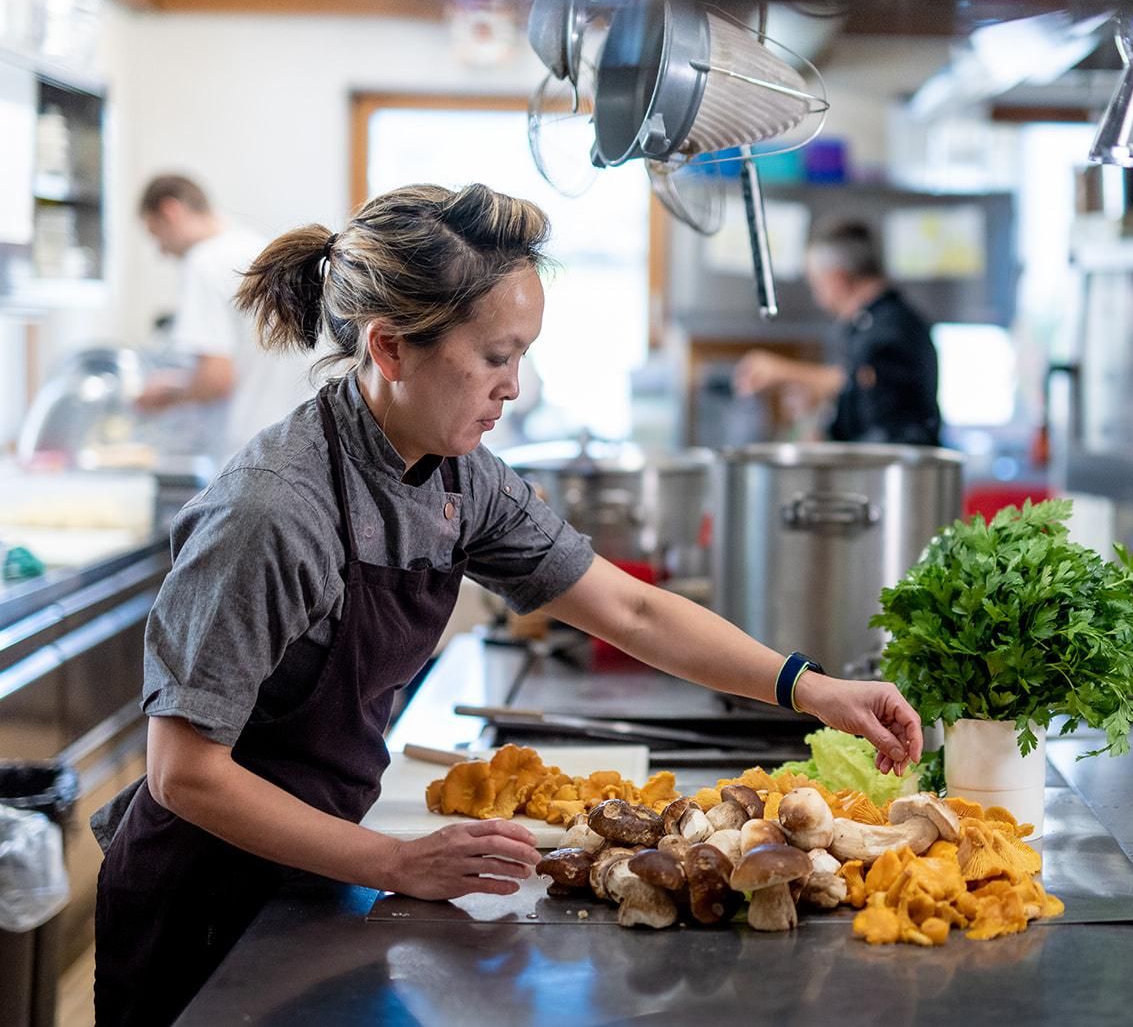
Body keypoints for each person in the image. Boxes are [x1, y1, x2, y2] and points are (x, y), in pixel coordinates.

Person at [91, 183, 923, 1026]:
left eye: (522, 355)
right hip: (200, 905)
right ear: (390, 349)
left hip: (318, 872)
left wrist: (812, 689)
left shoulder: (458, 477)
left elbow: (630, 612)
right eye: (496, 356)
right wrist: (394, 863)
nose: (514, 387)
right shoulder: (273, 511)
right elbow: (185, 773)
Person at [135, 174, 313, 457]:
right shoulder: (256, 247)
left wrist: (167, 395)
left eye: (156, 234)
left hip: (248, 449)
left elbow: (216, 378)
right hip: (292, 439)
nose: (162, 251)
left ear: (171, 211)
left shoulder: (204, 262)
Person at [734, 220, 941, 446]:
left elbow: (866, 382)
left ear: (837, 280)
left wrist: (785, 372)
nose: (817, 298)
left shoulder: (892, 324)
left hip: (898, 465)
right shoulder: (867, 325)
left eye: (816, 284)